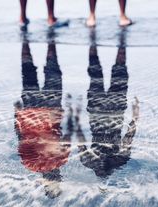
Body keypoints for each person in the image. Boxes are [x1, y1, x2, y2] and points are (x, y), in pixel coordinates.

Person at [14, 30, 73, 198]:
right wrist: (16, 114)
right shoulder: (29, 164)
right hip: (29, 111)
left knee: (53, 71)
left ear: (58, 179)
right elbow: (20, 137)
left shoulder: (61, 160)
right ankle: (25, 39)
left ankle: (51, 38)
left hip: (52, 110)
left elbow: (67, 136)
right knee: (28, 73)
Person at [75, 29, 139, 177]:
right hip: (97, 110)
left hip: (115, 110)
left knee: (118, 68)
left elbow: (129, 137)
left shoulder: (119, 161)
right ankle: (94, 35)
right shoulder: (89, 162)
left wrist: (135, 117)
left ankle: (120, 37)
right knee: (96, 70)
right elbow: (79, 138)